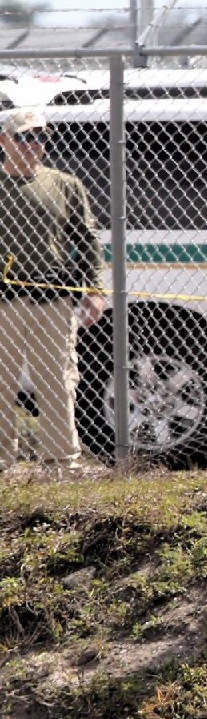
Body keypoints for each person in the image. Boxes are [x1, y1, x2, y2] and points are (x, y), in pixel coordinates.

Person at [0, 109, 106, 473]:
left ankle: (62, 463)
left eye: (40, 136)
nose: (34, 144)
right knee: (1, 384)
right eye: (24, 137)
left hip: (53, 298)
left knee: (56, 381)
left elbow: (87, 238)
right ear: (4, 141)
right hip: (4, 301)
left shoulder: (65, 185)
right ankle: (2, 462)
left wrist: (94, 288)